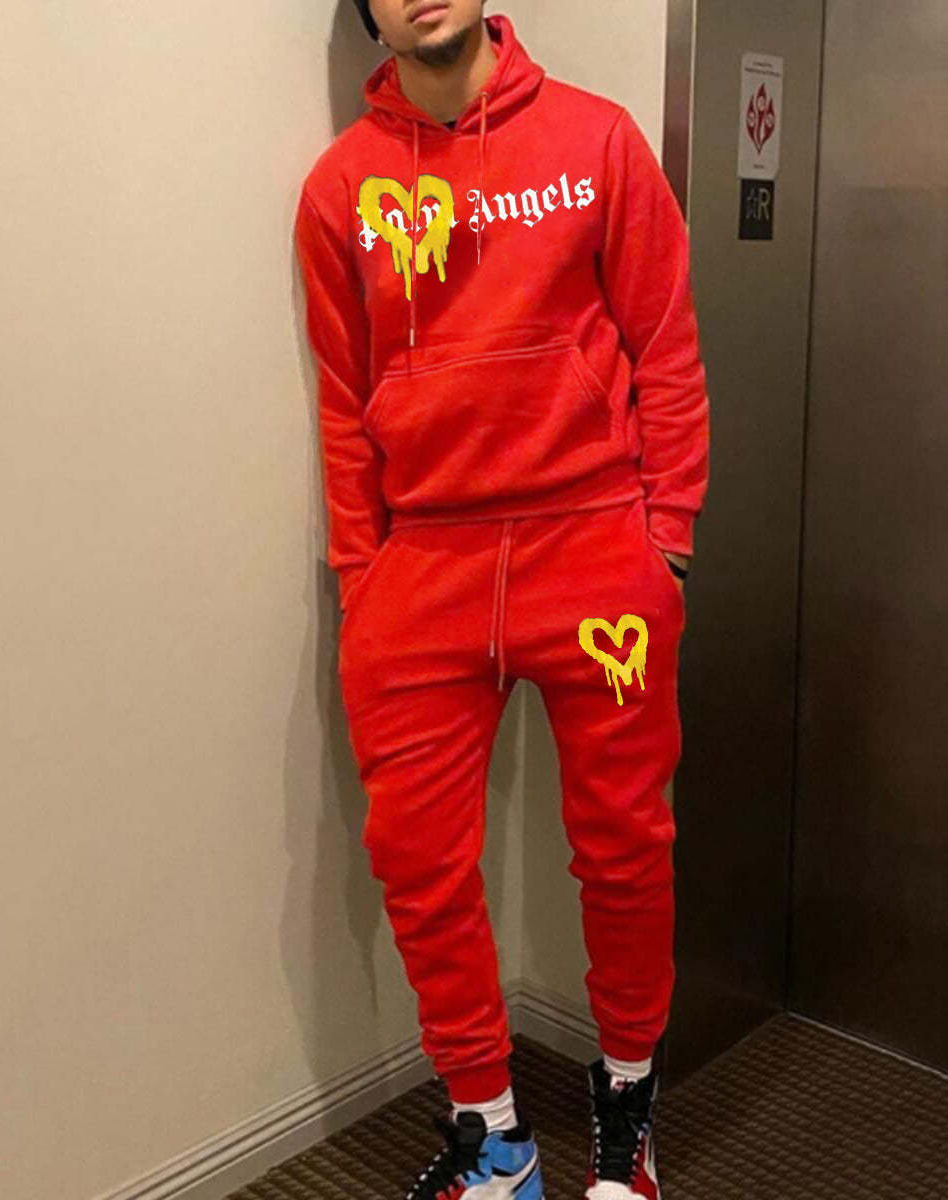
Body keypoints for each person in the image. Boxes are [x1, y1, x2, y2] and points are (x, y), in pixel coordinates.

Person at [294, 3, 708, 1196]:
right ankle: (495, 1139)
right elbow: (343, 401)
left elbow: (667, 350)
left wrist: (666, 543)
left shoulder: (599, 140)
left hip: (596, 557)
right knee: (418, 865)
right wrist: (365, 578)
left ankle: (626, 1121)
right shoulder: (339, 189)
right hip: (422, 571)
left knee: (625, 849)